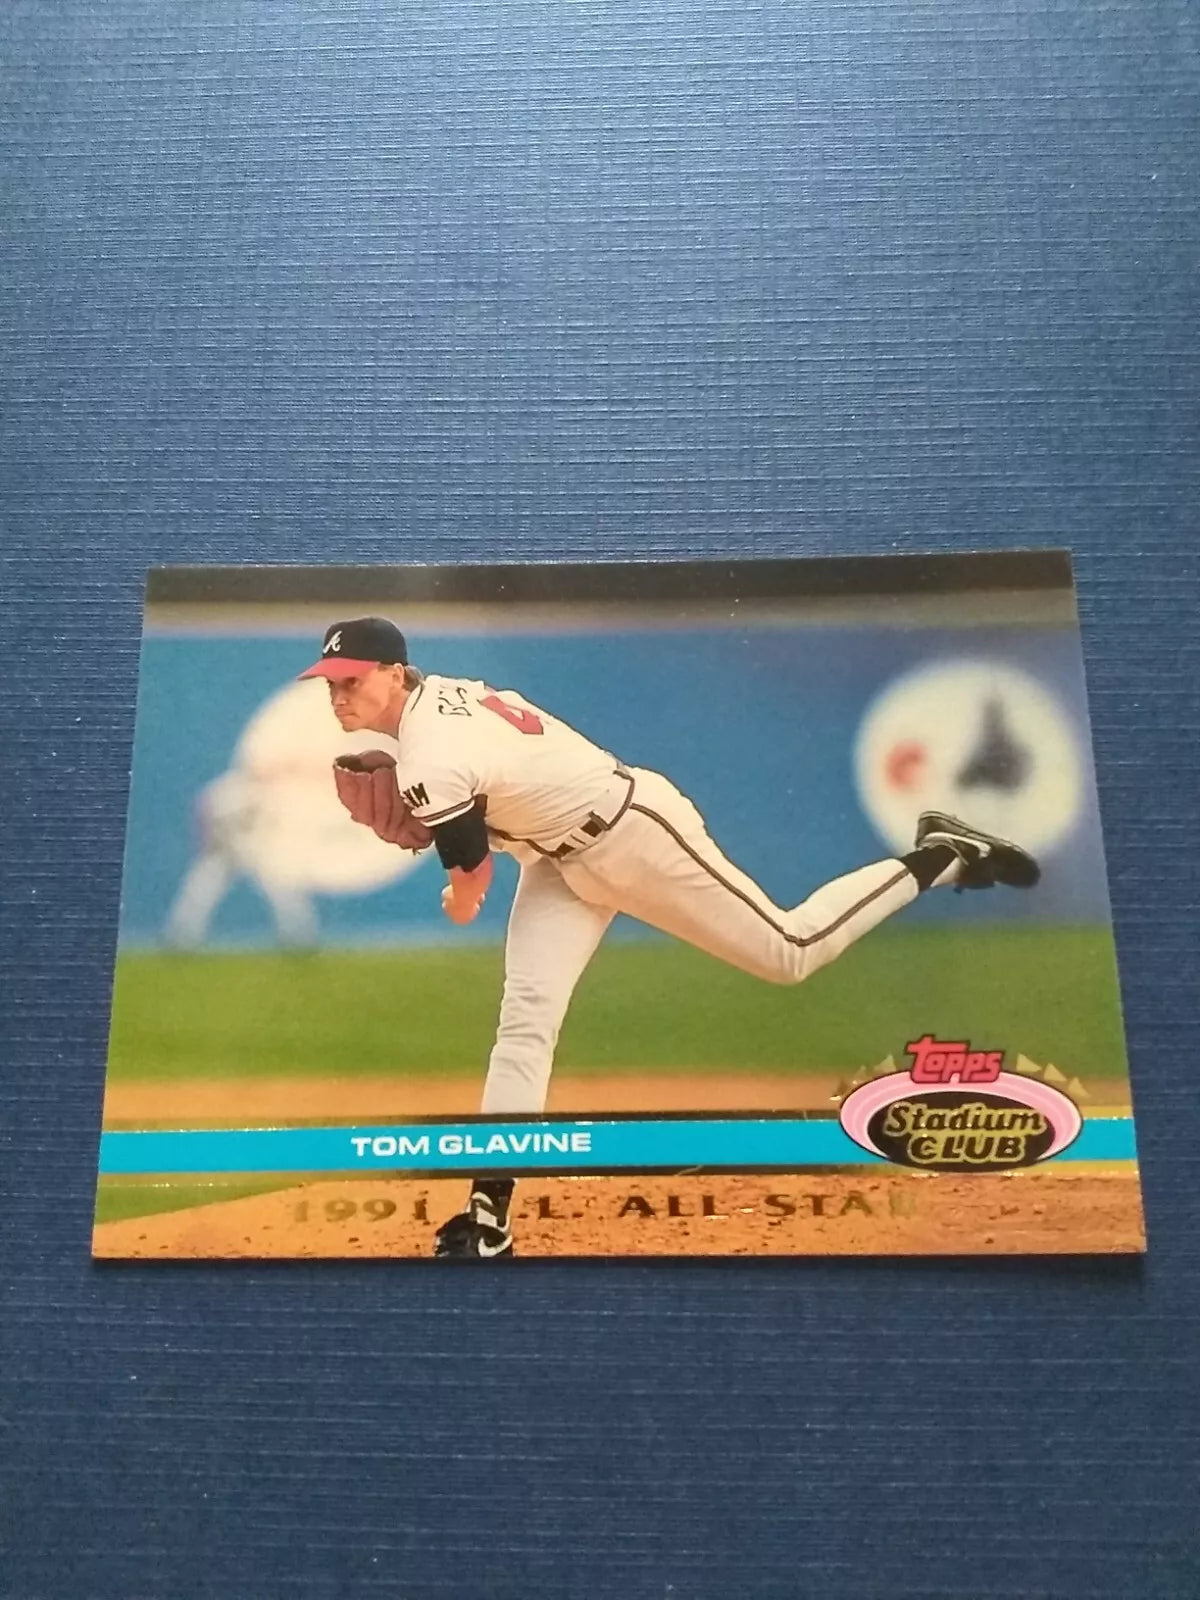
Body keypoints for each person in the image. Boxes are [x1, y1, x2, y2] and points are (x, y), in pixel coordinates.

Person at [299, 616, 1040, 1259]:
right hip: (559, 860)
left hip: (635, 833)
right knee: (525, 1023)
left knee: (789, 952)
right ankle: (488, 1214)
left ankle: (938, 855)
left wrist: (453, 889)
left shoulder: (431, 752)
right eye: (330, 682)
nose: (338, 694)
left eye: (351, 680)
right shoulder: (440, 703)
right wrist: (446, 815)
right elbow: (503, 786)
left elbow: (470, 883)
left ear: (394, 673)